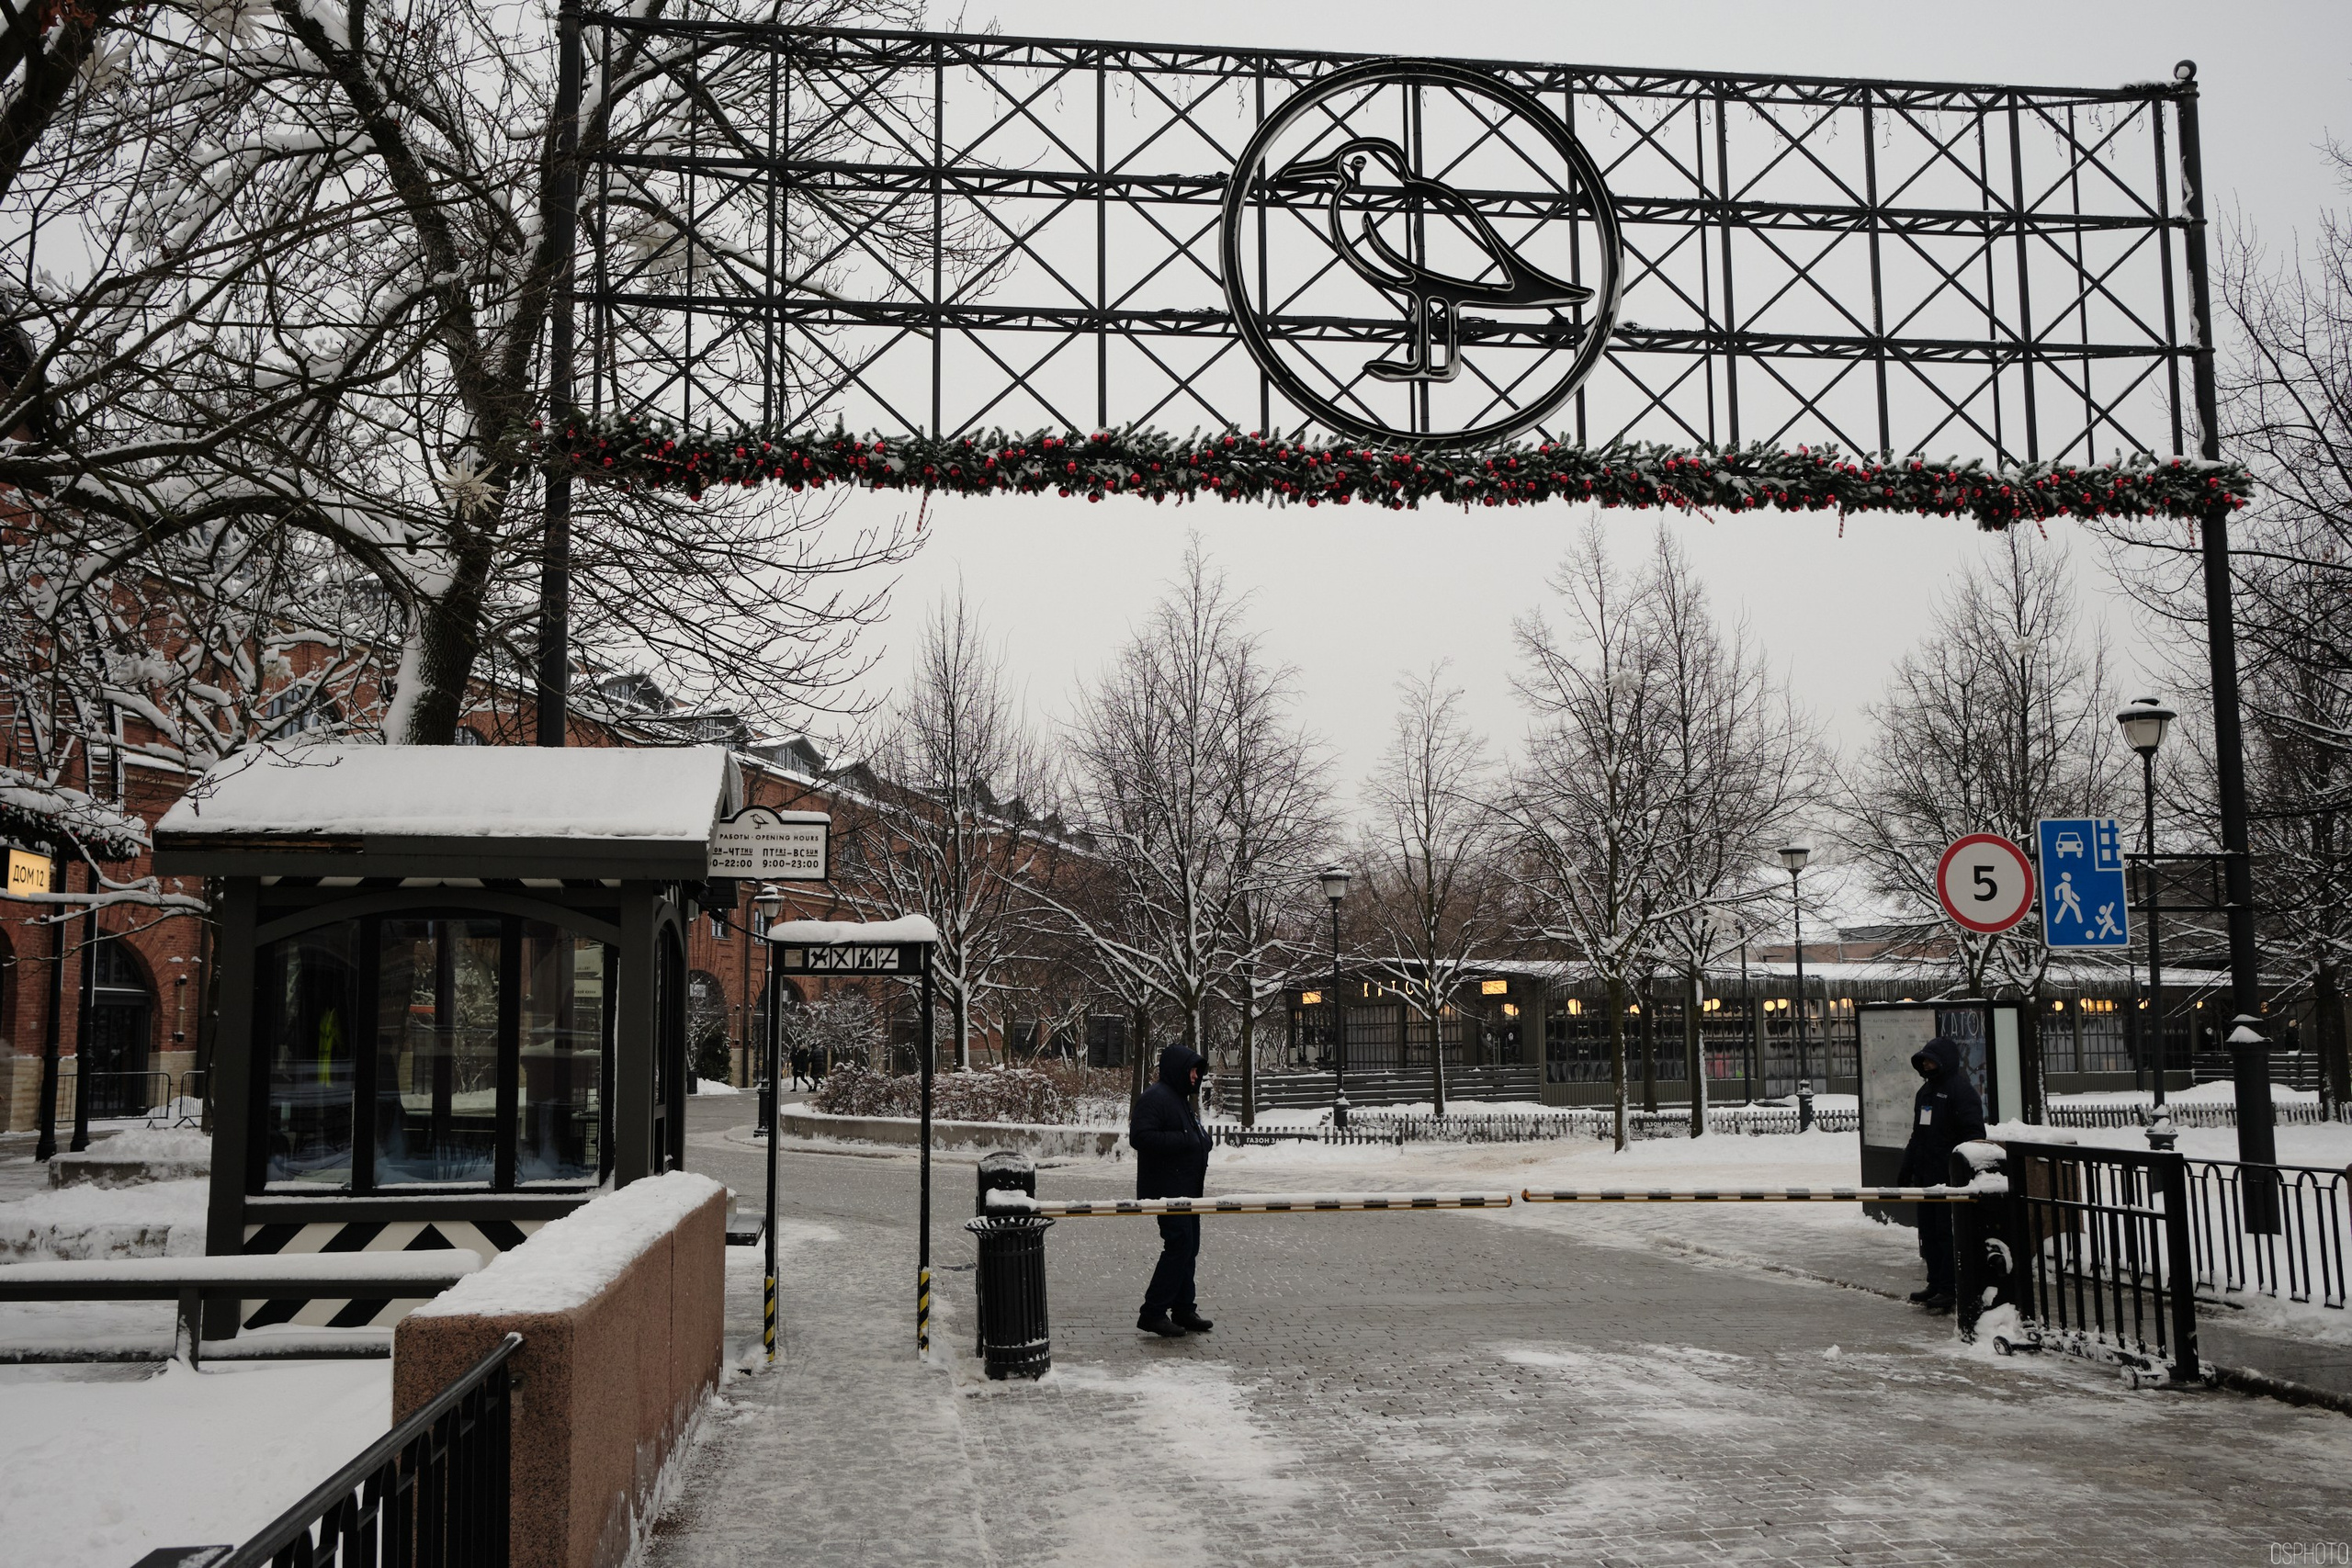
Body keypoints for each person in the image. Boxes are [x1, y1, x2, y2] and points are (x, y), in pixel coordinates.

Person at [1129, 1043, 1216, 1338]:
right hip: (1168, 1190)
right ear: (1178, 1069)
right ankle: (1153, 1312)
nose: (1195, 1076)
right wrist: (1183, 1140)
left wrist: (1202, 1141)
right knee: (1179, 1246)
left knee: (1189, 1247)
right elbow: (1140, 1137)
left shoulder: (1180, 1099)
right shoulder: (1155, 1098)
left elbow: (1190, 1137)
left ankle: (1183, 1309)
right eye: (1192, 1070)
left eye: (1197, 1072)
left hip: (1188, 1190)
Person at [1899, 1034, 1986, 1310]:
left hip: (1948, 1178)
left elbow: (1975, 1135)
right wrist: (1908, 1165)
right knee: (1928, 1232)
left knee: (1945, 1232)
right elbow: (1918, 1134)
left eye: (1930, 1060)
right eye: (1923, 1060)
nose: (1926, 1064)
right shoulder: (1925, 1093)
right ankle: (1935, 1282)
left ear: (1943, 1061)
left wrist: (1958, 1169)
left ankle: (1950, 1287)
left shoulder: (1960, 1090)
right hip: (1926, 1176)